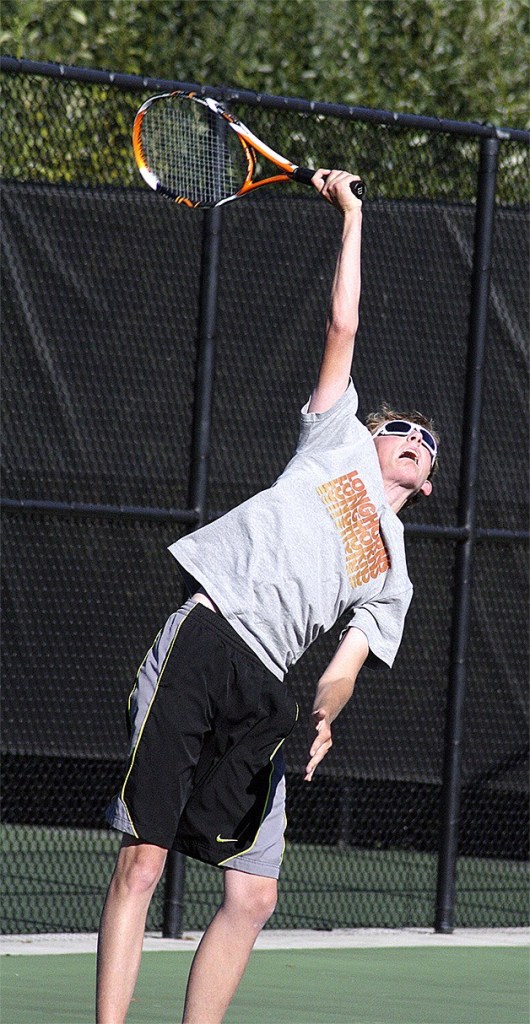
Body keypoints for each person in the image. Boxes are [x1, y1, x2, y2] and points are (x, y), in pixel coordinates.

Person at [96, 169, 439, 1023]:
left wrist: (324, 712)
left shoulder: (394, 570)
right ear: (370, 432)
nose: (411, 441)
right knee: (144, 860)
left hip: (270, 690)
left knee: (253, 896)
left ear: (427, 483)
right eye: (400, 429)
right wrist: (353, 215)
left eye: (426, 445)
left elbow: (347, 667)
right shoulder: (336, 441)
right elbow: (344, 321)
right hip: (211, 635)